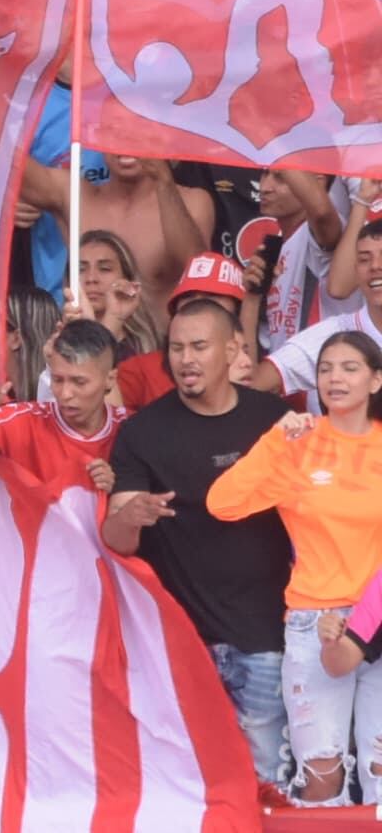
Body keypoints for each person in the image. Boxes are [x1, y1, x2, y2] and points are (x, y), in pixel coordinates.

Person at [112, 270, 301, 791]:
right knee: (185, 784)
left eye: (199, 346)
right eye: (176, 348)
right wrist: (130, 515)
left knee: (265, 781)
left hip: (264, 636)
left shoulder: (274, 420)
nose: (186, 359)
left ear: (233, 348)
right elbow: (118, 539)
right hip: (181, 642)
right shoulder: (141, 431)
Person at [211, 325, 382, 805]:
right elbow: (223, 503)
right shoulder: (298, 443)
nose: (335, 378)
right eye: (325, 370)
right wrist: (274, 441)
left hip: (378, 618)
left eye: (350, 368)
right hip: (315, 621)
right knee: (321, 775)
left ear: (375, 380)